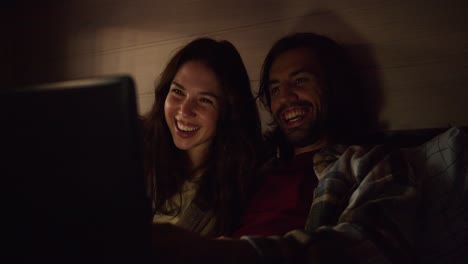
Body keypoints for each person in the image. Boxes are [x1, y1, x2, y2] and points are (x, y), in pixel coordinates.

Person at [152, 32, 421, 263]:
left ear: (334, 86)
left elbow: (371, 246)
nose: (286, 97)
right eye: (275, 88)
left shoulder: (370, 162)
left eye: (300, 81)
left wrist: (227, 253)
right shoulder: (253, 172)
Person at [143, 38, 263, 237]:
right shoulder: (139, 151)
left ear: (229, 111)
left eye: (204, 100)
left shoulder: (245, 181)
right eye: (178, 92)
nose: (184, 110)